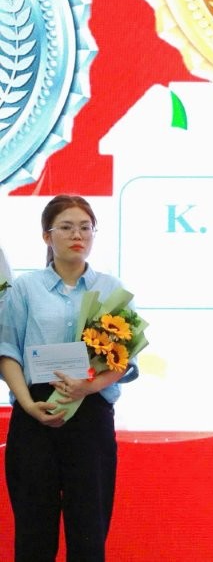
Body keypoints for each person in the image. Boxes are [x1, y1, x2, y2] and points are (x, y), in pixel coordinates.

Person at [0, 195, 139, 561]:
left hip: (90, 415)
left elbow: (124, 359)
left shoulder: (111, 289)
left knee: (89, 531)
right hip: (35, 413)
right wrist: (27, 404)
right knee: (33, 532)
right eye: (66, 227)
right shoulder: (25, 288)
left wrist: (88, 386)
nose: (78, 235)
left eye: (85, 227)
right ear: (47, 236)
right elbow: (7, 350)